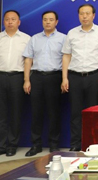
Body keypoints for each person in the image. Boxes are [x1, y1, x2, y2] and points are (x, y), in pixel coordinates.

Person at [61, 4, 98, 151]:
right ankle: (75, 144)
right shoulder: (72, 33)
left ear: (93, 15)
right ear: (78, 16)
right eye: (81, 13)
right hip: (74, 76)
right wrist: (64, 78)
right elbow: (66, 56)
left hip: (94, 76)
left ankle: (93, 143)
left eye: (87, 13)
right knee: (75, 112)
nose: (84, 16)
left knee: (93, 112)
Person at [0, 10, 30, 158]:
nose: (10, 22)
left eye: (13, 19)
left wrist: (27, 80)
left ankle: (12, 145)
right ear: (4, 22)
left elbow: (29, 62)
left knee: (16, 113)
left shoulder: (27, 39)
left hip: (17, 77)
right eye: (7, 19)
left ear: (19, 22)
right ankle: (0, 146)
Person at [22, 10, 66, 156]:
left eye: (51, 19)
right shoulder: (34, 38)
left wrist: (64, 79)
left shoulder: (63, 38)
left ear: (56, 22)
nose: (48, 22)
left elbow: (67, 59)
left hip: (55, 77)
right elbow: (28, 59)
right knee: (36, 112)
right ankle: (36, 145)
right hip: (37, 77)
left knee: (54, 112)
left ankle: (54, 145)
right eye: (45, 19)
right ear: (42, 21)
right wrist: (27, 80)